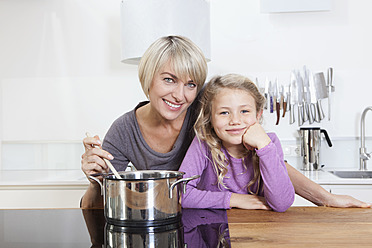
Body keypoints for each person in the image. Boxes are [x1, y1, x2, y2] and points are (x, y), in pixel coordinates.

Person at [80, 35, 370, 209]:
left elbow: (267, 160)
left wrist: (324, 198)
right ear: (147, 79)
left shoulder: (208, 112)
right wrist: (95, 181)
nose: (180, 95)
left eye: (191, 84)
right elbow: (97, 204)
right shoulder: (123, 130)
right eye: (168, 80)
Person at [179, 74, 295, 212]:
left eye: (244, 111)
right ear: (210, 117)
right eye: (224, 113)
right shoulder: (203, 144)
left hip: (260, 227)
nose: (235, 120)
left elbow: (282, 204)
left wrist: (265, 146)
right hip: (212, 227)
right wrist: (233, 199)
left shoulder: (269, 143)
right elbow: (181, 194)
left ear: (258, 115)